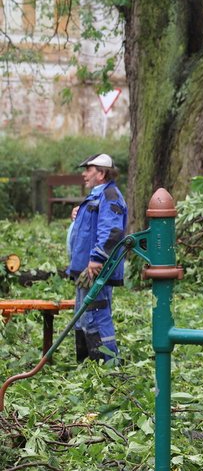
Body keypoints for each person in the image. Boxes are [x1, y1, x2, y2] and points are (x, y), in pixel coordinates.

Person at [68, 153, 128, 364]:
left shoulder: (110, 195)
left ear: (101, 173)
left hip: (96, 270)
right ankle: (87, 368)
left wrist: (97, 259)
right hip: (84, 270)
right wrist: (79, 213)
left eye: (88, 170)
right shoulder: (97, 195)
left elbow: (111, 231)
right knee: (82, 318)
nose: (84, 174)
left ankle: (109, 367)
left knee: (96, 317)